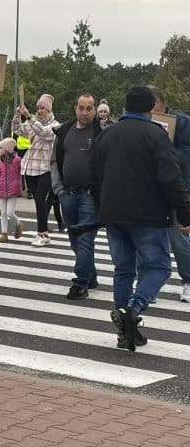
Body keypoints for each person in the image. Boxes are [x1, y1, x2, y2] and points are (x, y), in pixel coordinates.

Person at [92, 86, 190, 352]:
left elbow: (95, 176)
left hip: (113, 213)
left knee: (123, 269)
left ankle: (126, 331)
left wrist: (101, 208)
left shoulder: (107, 134)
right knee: (159, 267)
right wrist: (184, 212)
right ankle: (132, 310)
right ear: (151, 108)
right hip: (148, 214)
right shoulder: (157, 135)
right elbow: (172, 179)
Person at [51, 94, 102, 300]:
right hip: (67, 193)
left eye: (89, 108)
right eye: (81, 108)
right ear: (75, 108)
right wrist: (59, 189)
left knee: (86, 239)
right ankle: (90, 275)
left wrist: (99, 190)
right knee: (74, 238)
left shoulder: (102, 132)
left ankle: (80, 283)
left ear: (95, 109)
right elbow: (54, 161)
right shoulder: (64, 131)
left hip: (89, 194)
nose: (85, 112)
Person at [148, 86, 190, 303]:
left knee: (178, 238)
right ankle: (148, 284)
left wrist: (164, 152)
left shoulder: (181, 122)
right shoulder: (144, 122)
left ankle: (188, 280)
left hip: (175, 186)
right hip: (150, 189)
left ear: (158, 103)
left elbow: (187, 154)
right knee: (149, 239)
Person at [12, 94, 60, 246]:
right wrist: (18, 115)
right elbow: (18, 130)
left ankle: (42, 233)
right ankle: (43, 232)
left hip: (46, 168)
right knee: (37, 201)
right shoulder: (34, 123)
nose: (40, 111)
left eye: (43, 108)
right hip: (30, 167)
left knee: (40, 199)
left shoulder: (55, 125)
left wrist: (28, 116)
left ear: (49, 110)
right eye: (38, 108)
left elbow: (44, 133)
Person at [0, 138, 23, 242]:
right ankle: (4, 233)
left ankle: (18, 223)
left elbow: (23, 171)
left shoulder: (17, 161)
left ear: (7, 149)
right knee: (3, 212)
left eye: (1, 148)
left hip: (13, 191)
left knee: (10, 213)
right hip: (2, 191)